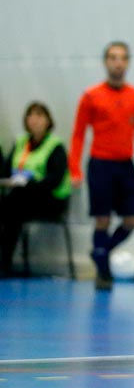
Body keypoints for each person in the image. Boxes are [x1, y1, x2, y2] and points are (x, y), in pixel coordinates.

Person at [69, 41, 134, 291]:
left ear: (128, 63)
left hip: (125, 164)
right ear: (106, 62)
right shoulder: (91, 96)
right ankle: (103, 274)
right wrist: (75, 168)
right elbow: (78, 134)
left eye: (123, 58)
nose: (118, 63)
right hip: (101, 164)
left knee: (132, 219)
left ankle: (101, 251)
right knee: (103, 220)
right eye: (113, 58)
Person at [1, 103, 72, 277]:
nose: (35, 120)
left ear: (48, 120)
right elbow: (6, 170)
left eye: (39, 115)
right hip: (22, 198)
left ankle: (4, 263)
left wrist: (28, 185)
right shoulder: (21, 143)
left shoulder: (56, 146)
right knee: (11, 207)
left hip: (50, 200)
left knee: (12, 207)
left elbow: (54, 180)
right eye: (31, 115)